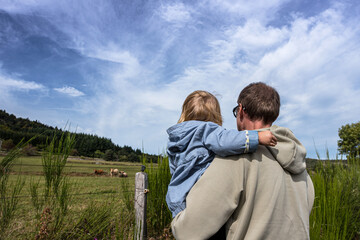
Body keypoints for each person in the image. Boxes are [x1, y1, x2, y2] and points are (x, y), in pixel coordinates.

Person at [171, 83, 315, 240]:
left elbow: (187, 232)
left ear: (240, 110)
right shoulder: (302, 170)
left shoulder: (234, 159)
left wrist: (177, 216)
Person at [166, 90, 277, 219]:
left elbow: (174, 170)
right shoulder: (206, 129)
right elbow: (225, 142)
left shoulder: (175, 139)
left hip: (178, 197)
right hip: (203, 197)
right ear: (215, 114)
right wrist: (256, 137)